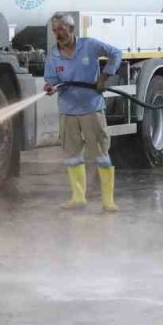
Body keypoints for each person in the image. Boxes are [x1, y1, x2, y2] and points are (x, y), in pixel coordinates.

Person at [43, 13, 124, 212]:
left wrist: (104, 78)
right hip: (68, 111)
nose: (57, 34)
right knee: (72, 156)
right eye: (54, 31)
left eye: (61, 30)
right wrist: (50, 87)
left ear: (71, 29)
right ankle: (78, 198)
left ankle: (108, 201)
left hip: (91, 108)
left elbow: (116, 53)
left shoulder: (90, 45)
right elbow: (51, 79)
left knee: (101, 154)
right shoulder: (53, 55)